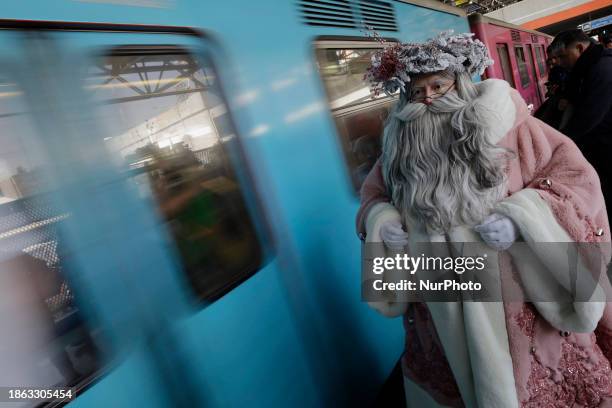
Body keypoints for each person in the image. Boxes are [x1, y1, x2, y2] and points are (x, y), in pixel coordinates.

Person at [358, 31, 612, 407]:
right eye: (417, 91)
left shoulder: (513, 126)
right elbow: (373, 196)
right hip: (438, 295)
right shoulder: (398, 145)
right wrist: (382, 219)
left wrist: (522, 217)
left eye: (438, 85)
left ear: (458, 84)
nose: (428, 98)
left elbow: (577, 178)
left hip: (518, 291)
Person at [551, 29, 612, 207]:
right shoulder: (587, 68)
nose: (560, 63)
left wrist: (560, 142)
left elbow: (590, 116)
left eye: (562, 56)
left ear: (579, 48)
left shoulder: (603, 69)